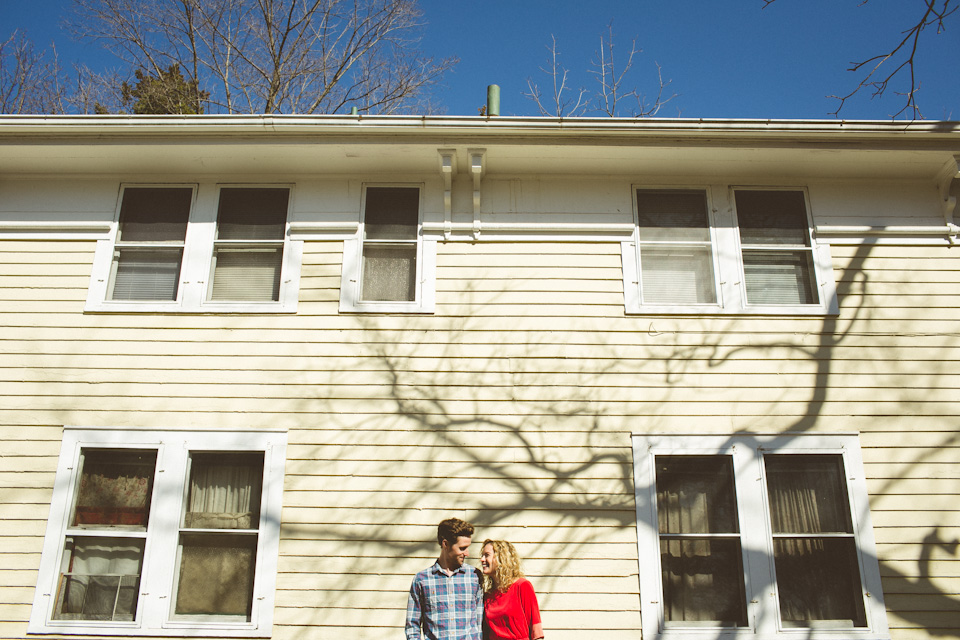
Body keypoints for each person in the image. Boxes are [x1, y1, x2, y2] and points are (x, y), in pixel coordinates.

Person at [406, 517, 483, 640]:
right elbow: (412, 626)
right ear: (445, 544)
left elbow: (480, 623)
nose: (467, 553)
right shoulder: (422, 580)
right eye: (462, 548)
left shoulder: (474, 576)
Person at [479, 540, 544, 640]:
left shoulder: (522, 586)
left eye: (487, 555)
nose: (482, 559)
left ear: (501, 558)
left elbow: (535, 627)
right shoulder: (488, 596)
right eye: (482, 555)